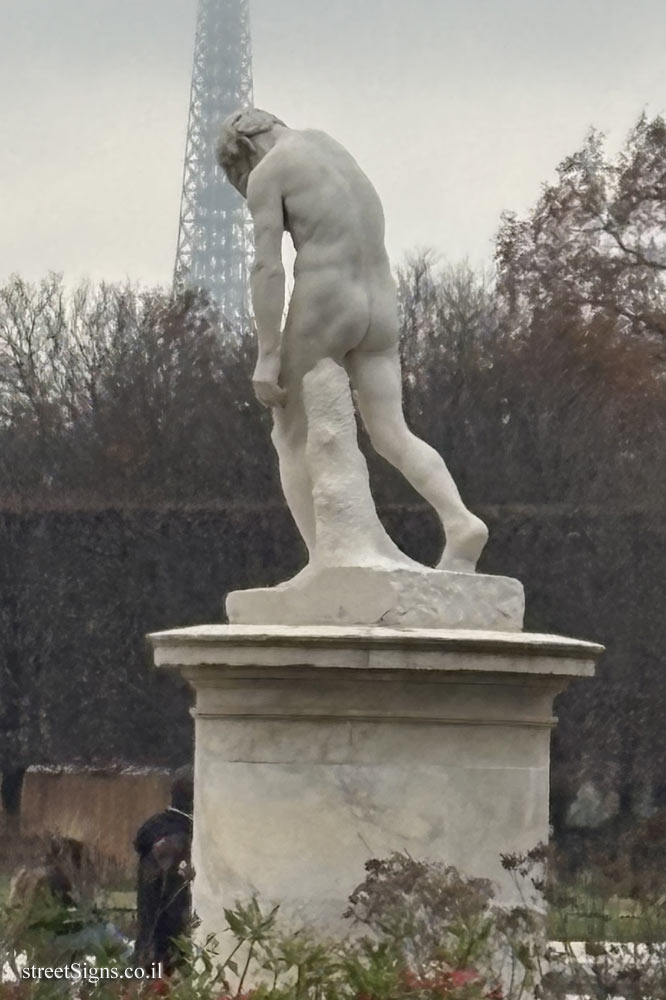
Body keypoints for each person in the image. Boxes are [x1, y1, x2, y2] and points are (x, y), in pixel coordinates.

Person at [217, 109, 487, 573]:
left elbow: (268, 267)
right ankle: (460, 521)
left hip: (328, 296)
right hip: (380, 299)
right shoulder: (329, 146)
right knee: (391, 432)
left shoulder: (270, 171)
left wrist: (267, 355)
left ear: (245, 150)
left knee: (289, 431)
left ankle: (321, 561)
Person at [132, 766, 194, 974]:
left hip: (150, 947)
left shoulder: (162, 831)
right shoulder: (178, 842)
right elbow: (172, 904)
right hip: (166, 955)